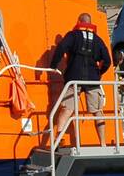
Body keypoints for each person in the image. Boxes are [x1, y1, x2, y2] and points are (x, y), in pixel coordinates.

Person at [48, 13, 112, 147]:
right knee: (97, 111)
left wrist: (53, 65)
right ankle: (103, 143)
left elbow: (61, 48)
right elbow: (107, 60)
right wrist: (99, 72)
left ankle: (58, 139)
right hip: (92, 79)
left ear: (79, 21)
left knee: (67, 109)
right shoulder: (98, 40)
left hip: (73, 76)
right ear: (90, 23)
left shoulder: (72, 35)